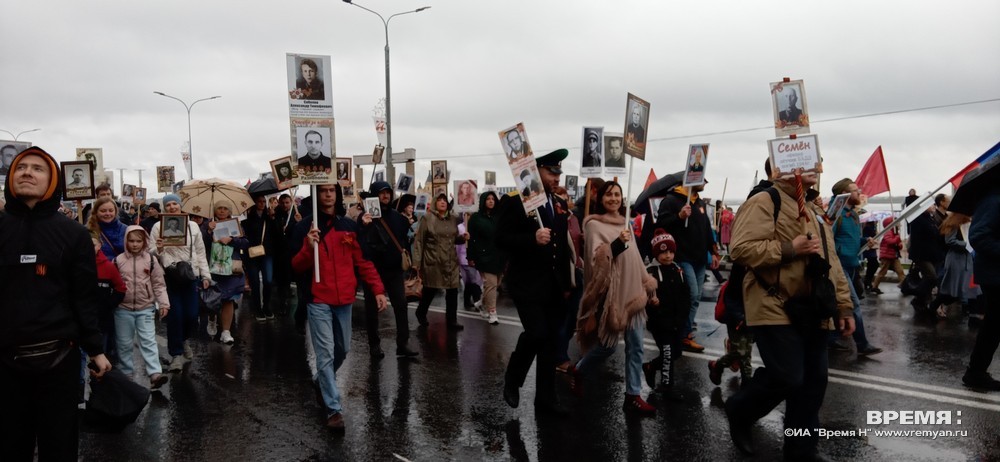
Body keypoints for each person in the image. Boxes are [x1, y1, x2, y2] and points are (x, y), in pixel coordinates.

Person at [724, 168, 856, 460]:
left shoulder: (814, 210)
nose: (815, 171)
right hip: (773, 302)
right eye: (806, 164)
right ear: (783, 166)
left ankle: (801, 449)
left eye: (816, 163)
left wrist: (844, 305)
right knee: (787, 375)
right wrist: (789, 249)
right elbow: (741, 250)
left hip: (814, 308)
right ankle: (739, 411)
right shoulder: (764, 200)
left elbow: (831, 263)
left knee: (813, 383)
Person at [0, 147, 111, 460]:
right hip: (6, 361)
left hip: (58, 358)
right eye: (21, 167)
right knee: (10, 443)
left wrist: (96, 349)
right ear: (11, 177)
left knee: (59, 444)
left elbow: (84, 297)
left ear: (51, 181)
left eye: (38, 168)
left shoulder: (73, 234)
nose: (27, 173)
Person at [290, 183, 388, 430]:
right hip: (318, 299)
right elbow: (295, 266)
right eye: (323, 191)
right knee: (325, 354)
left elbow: (363, 261)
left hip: (344, 298)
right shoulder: (305, 228)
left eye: (331, 191)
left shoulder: (348, 226)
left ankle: (320, 380)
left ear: (336, 194)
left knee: (342, 350)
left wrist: (377, 289)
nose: (328, 195)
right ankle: (333, 409)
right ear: (316, 195)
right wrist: (307, 247)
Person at [496, 149, 574, 415]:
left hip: (552, 285)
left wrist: (566, 284)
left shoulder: (559, 204)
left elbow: (561, 247)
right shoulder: (516, 201)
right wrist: (531, 239)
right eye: (552, 172)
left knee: (551, 342)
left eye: (558, 172)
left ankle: (546, 398)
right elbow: (500, 238)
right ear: (536, 170)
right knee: (537, 333)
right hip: (526, 283)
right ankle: (513, 379)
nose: (557, 177)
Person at [572, 181, 658, 415]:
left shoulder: (626, 221)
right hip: (612, 295)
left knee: (637, 346)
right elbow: (596, 261)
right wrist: (617, 244)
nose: (613, 199)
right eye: (608, 195)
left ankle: (632, 395)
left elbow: (636, 257)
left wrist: (648, 286)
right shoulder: (593, 225)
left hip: (633, 293)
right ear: (600, 199)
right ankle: (579, 370)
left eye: (617, 194)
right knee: (607, 348)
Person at [655, 180, 721, 352]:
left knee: (696, 297)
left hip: (699, 259)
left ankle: (684, 331)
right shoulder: (671, 200)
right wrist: (679, 217)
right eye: (702, 178)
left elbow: (706, 229)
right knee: (690, 295)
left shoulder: (698, 202)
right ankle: (683, 334)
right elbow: (660, 225)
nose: (706, 181)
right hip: (682, 257)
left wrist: (713, 252)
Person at [356, 181, 419, 359]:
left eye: (388, 193)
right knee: (372, 309)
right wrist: (363, 224)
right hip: (373, 271)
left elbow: (405, 241)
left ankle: (403, 343)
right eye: (381, 193)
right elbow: (359, 239)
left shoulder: (398, 218)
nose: (385, 196)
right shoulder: (366, 216)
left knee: (401, 305)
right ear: (375, 195)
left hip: (393, 270)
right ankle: (374, 345)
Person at [152, 193, 211, 372]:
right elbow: (150, 252)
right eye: (168, 205)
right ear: (164, 208)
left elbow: (200, 252)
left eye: (174, 204)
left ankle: (185, 340)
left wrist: (206, 275)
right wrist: (159, 247)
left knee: (192, 315)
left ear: (180, 206)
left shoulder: (192, 226)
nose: (172, 207)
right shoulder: (157, 226)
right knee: (175, 316)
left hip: (190, 274)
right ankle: (176, 354)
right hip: (170, 275)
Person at [828, 178, 882, 356]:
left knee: (840, 304)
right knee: (853, 303)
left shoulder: (854, 215)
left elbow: (852, 240)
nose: (859, 192)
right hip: (839, 266)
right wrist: (837, 256)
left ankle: (831, 338)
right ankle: (862, 344)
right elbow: (828, 240)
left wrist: (865, 240)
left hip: (852, 265)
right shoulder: (836, 215)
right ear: (843, 195)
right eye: (854, 190)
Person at [114, 226, 170, 389]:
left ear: (144, 241)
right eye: (131, 241)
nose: (135, 244)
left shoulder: (151, 260)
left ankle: (155, 373)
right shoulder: (118, 260)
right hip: (122, 308)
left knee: (148, 340)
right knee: (124, 343)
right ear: (126, 241)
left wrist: (164, 303)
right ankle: (126, 374)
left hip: (145, 307)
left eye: (139, 241)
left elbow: (159, 284)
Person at [643, 230, 690, 398]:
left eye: (670, 252)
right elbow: (643, 296)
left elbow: (686, 295)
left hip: (676, 321)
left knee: (676, 352)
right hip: (660, 322)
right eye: (663, 252)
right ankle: (667, 387)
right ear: (656, 253)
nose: (668, 256)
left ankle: (650, 367)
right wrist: (651, 303)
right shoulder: (650, 272)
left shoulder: (678, 269)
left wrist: (682, 318)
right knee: (668, 353)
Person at [963, 184, 1000, 390]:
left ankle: (976, 371)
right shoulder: (993, 199)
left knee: (994, 325)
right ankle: (975, 372)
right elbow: (978, 236)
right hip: (995, 275)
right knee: (993, 324)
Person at [413, 193, 466, 330]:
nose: (443, 202)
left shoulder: (452, 219)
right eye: (440, 200)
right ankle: (421, 312)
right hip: (433, 261)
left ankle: (451, 320)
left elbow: (453, 238)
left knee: (453, 290)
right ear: (435, 202)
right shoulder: (427, 218)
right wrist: (417, 263)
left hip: (450, 261)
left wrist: (462, 238)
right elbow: (419, 241)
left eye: (445, 200)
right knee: (431, 289)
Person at [207, 205, 248, 345]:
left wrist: (232, 240)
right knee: (212, 298)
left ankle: (226, 331)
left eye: (225, 208)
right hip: (213, 267)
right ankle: (212, 318)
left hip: (230, 267)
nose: (222, 211)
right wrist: (208, 231)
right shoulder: (209, 224)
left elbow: (245, 243)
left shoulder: (236, 225)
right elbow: (200, 244)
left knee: (228, 299)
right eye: (219, 208)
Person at [467, 190, 505, 325]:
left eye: (493, 199)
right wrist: (470, 256)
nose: (491, 201)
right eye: (488, 199)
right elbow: (471, 239)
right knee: (491, 284)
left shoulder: (499, 217)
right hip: (483, 255)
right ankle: (492, 312)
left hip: (499, 255)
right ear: (483, 201)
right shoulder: (476, 218)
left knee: (496, 283)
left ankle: (481, 303)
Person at [907, 194, 949, 313]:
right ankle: (918, 299)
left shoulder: (929, 218)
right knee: (932, 277)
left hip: (930, 254)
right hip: (922, 255)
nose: (933, 206)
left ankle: (922, 300)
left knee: (929, 278)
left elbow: (935, 235)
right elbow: (920, 238)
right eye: (931, 204)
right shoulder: (918, 219)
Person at [930, 212, 974, 318]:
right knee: (954, 288)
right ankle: (934, 305)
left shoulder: (966, 223)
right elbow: (950, 241)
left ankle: (937, 305)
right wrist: (967, 244)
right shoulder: (953, 223)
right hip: (956, 259)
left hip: (966, 258)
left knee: (962, 287)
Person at [244, 194, 278, 321]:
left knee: (268, 280)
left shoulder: (268, 218)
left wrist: (273, 218)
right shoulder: (248, 218)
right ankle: (257, 308)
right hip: (252, 254)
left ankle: (266, 306)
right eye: (260, 201)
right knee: (255, 282)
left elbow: (277, 234)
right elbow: (245, 234)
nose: (262, 204)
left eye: (264, 201)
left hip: (267, 253)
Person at [870, 217, 906, 294]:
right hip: (886, 256)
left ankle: (904, 286)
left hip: (893, 256)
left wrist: (899, 244)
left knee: (900, 271)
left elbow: (898, 245)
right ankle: (875, 287)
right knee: (882, 272)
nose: (899, 224)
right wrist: (897, 238)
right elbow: (890, 241)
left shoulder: (895, 233)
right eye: (897, 222)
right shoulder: (889, 232)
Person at [88, 197, 129, 261]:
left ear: (115, 211)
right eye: (103, 211)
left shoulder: (126, 229)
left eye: (111, 210)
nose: (107, 213)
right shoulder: (89, 230)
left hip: (121, 269)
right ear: (96, 212)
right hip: (99, 269)